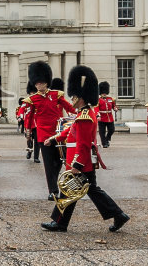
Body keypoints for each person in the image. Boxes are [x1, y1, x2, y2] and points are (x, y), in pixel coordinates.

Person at [42, 66, 129, 233]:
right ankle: (117, 215)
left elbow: (82, 143)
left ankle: (117, 214)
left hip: (80, 160)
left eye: (74, 95)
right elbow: (70, 130)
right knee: (79, 191)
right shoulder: (84, 113)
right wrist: (54, 138)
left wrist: (78, 164)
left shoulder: (84, 117)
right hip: (81, 159)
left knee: (77, 190)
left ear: (81, 97)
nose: (72, 98)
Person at [26, 63, 73, 200]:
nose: (38, 85)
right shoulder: (32, 100)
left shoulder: (56, 95)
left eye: (41, 83)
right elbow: (29, 117)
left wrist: (79, 113)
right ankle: (53, 191)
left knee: (58, 161)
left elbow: (68, 107)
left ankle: (54, 184)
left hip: (57, 132)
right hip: (42, 134)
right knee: (48, 163)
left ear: (46, 83)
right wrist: (28, 132)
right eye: (37, 83)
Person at [95, 81, 118, 148]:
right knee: (102, 132)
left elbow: (114, 106)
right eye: (103, 93)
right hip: (102, 118)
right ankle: (104, 143)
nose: (104, 94)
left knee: (112, 130)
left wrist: (115, 108)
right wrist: (98, 115)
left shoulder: (111, 99)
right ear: (100, 93)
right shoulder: (98, 100)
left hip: (109, 117)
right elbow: (96, 108)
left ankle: (107, 139)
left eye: (105, 92)